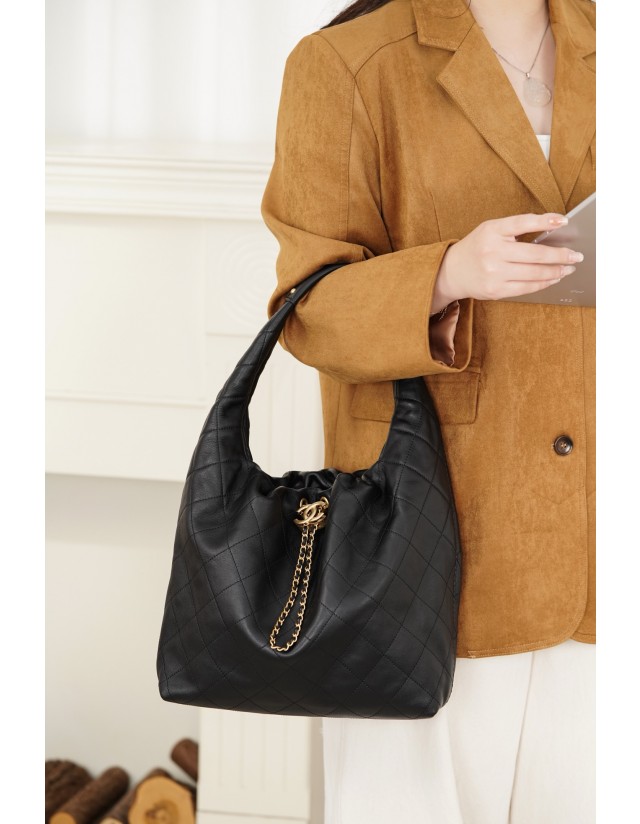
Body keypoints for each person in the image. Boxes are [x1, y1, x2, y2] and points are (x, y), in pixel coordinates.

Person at [260, 0, 595, 821]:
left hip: (601, 539)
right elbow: (307, 310)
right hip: (431, 544)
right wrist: (446, 274)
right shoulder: (346, 63)